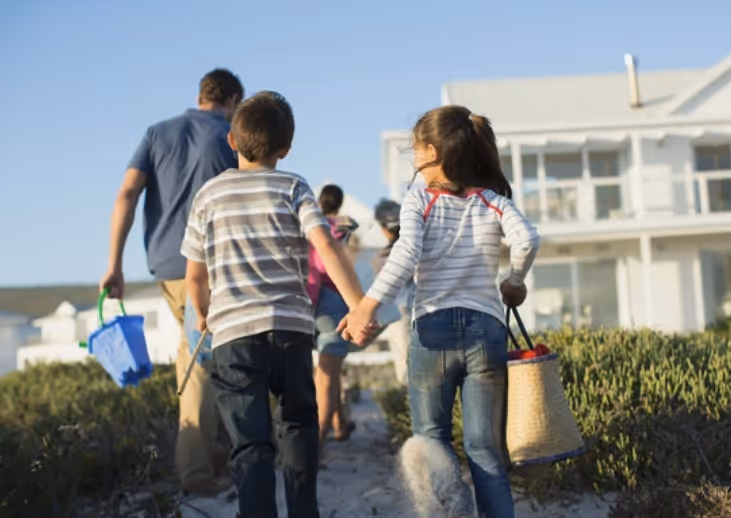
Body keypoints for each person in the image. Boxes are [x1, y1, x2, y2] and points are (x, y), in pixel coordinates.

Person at [342, 105, 540, 518]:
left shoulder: (419, 200)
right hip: (485, 333)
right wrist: (515, 281)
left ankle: (454, 507)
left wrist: (366, 306)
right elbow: (527, 239)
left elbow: (406, 254)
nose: (413, 159)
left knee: (431, 440)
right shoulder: (492, 200)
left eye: (414, 150)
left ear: (431, 151)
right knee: (485, 450)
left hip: (433, 331)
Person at [181, 91, 367, 517]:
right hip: (290, 329)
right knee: (298, 426)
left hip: (234, 335)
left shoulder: (208, 195)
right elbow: (327, 245)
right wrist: (357, 305)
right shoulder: (293, 186)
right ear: (286, 148)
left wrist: (204, 312)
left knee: (250, 443)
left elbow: (196, 273)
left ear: (231, 141)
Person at [99, 69, 244, 496]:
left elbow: (127, 193)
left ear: (201, 96)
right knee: (205, 359)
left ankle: (213, 459)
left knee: (206, 355)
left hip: (165, 265)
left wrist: (114, 264)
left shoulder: (157, 132)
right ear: (233, 99)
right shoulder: (232, 135)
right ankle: (198, 475)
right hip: (215, 264)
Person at [307, 185, 359, 453]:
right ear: (339, 204)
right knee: (328, 375)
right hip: (333, 301)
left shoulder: (306, 224)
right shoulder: (343, 227)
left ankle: (339, 424)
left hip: (305, 296)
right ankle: (317, 446)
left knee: (319, 374)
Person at [372, 199, 412, 387]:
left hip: (398, 313)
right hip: (421, 309)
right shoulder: (414, 246)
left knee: (405, 368)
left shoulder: (383, 258)